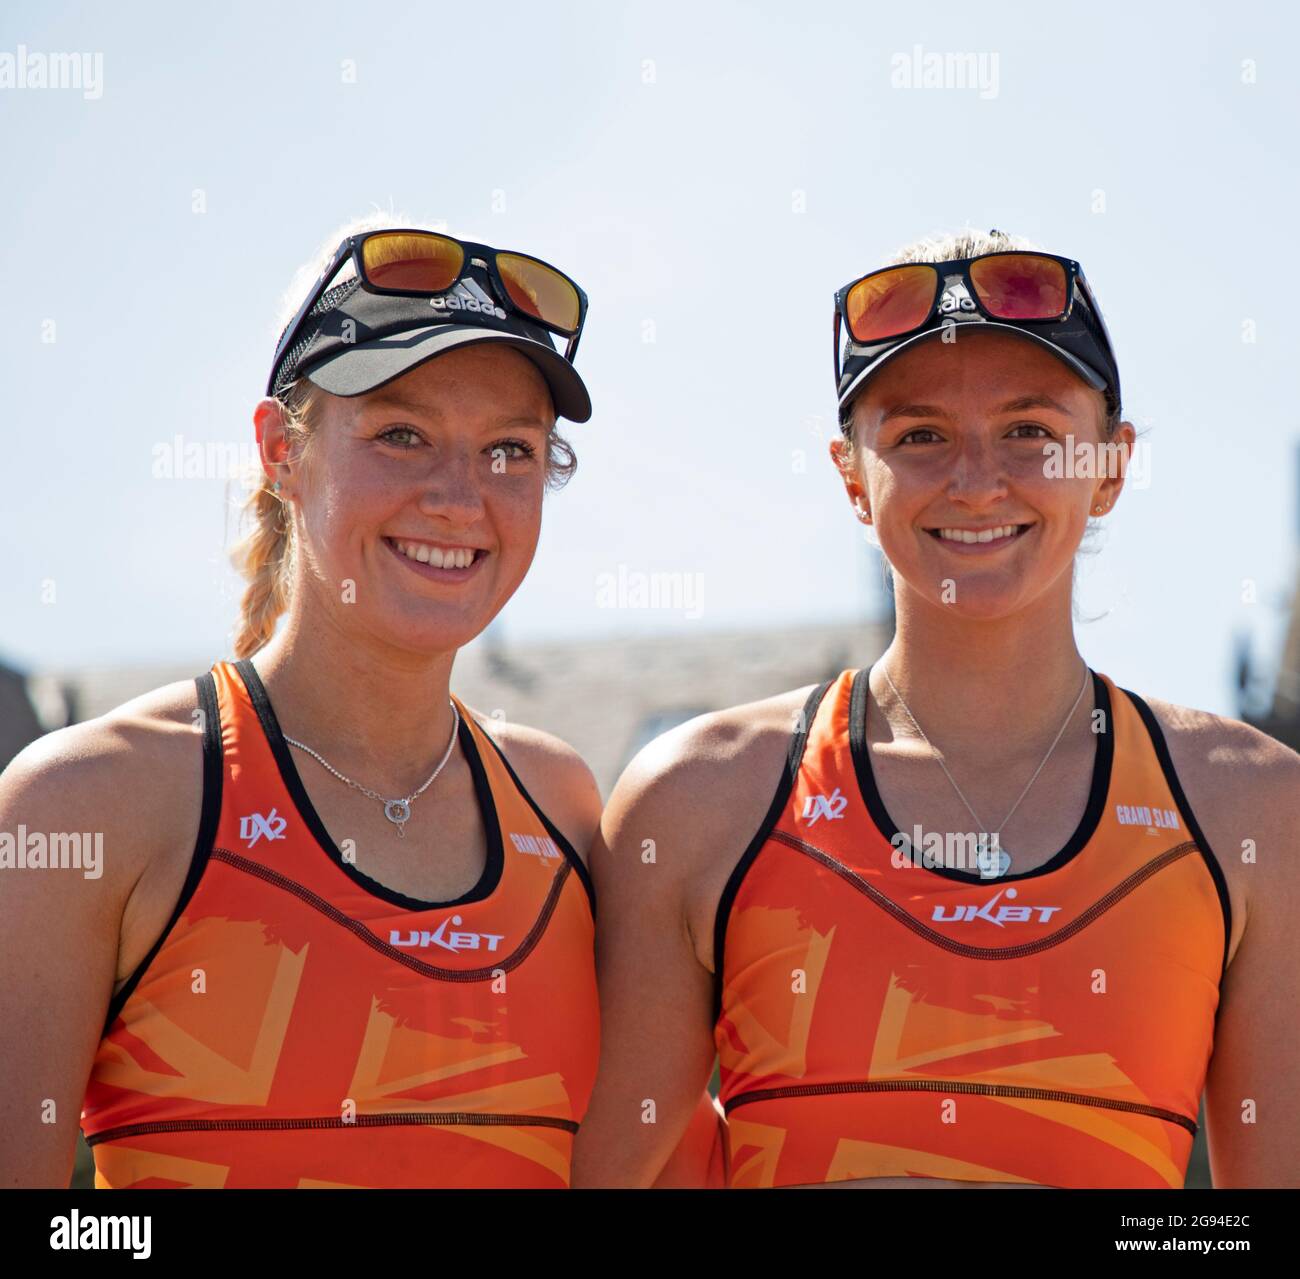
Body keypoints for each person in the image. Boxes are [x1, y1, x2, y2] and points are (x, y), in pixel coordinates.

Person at [0, 214, 717, 1189]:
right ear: (279, 451)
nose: (460, 497)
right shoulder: (92, 803)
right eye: (401, 434)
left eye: (508, 450)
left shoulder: (562, 807)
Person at [574, 229, 1300, 1189]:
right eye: (919, 435)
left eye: (1030, 430)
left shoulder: (1253, 810)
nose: (975, 479)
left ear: (1113, 466)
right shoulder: (700, 799)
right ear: (850, 477)